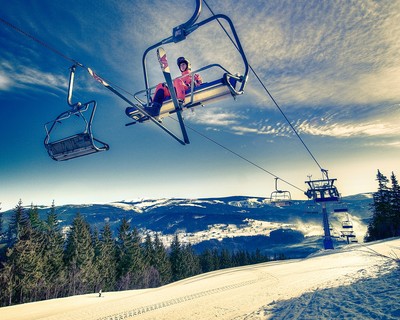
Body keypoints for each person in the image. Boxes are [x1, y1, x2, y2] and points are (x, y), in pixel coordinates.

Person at [126, 56, 203, 119]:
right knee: (161, 86)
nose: (182, 66)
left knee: (176, 80)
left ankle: (180, 102)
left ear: (188, 65)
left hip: (187, 91)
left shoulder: (194, 75)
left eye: (183, 64)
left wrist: (195, 84)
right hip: (176, 92)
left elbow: (200, 84)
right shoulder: (180, 78)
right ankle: (154, 108)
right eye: (180, 65)